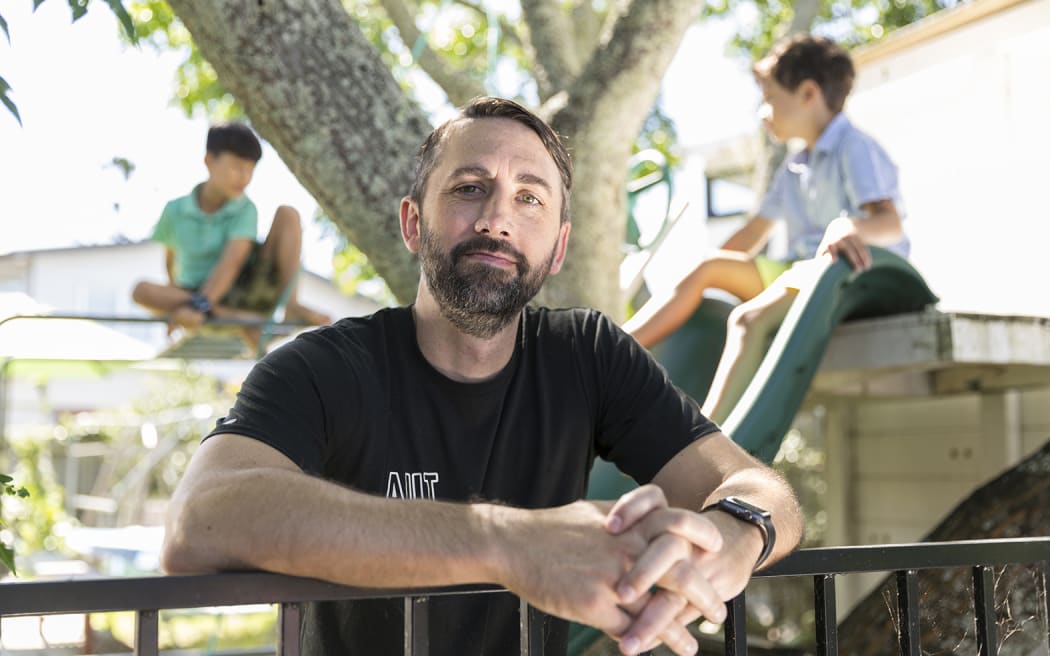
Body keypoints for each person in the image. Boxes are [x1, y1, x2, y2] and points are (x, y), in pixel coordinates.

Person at [160, 97, 802, 656]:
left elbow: (755, 485)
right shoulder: (325, 366)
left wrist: (736, 534)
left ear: (557, 248)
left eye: (529, 198)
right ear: (413, 223)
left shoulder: (587, 354)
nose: (497, 218)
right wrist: (508, 543)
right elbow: (198, 521)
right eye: (470, 188)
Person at [623, 35, 908, 424]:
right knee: (708, 267)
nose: (763, 111)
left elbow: (889, 223)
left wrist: (847, 225)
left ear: (808, 93)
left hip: (851, 276)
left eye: (770, 98)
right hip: (802, 270)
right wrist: (712, 273)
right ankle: (614, 349)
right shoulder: (795, 167)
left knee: (747, 320)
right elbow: (751, 234)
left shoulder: (853, 147)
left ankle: (705, 440)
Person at [131, 122, 331, 349]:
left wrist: (196, 307)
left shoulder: (245, 209)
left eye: (250, 170)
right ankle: (227, 315)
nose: (244, 177)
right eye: (237, 167)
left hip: (242, 289)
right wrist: (182, 302)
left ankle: (291, 304)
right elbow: (170, 262)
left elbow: (232, 263)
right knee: (141, 290)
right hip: (195, 295)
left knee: (288, 214)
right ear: (209, 161)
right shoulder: (174, 210)